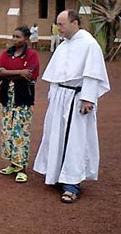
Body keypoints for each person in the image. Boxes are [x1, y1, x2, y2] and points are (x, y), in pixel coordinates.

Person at [33, 10, 110, 204]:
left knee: (74, 140)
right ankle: (58, 174)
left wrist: (88, 98)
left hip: (77, 99)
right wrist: (53, 94)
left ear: (75, 23)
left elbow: (92, 74)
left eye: (61, 24)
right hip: (60, 97)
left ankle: (71, 183)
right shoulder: (64, 45)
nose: (58, 28)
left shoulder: (89, 44)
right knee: (55, 136)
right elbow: (57, 74)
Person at [0, 26, 40, 183]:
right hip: (7, 99)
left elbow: (31, 74)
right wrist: (19, 72)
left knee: (21, 132)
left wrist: (9, 73)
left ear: (26, 39)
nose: (15, 39)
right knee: (8, 130)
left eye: (18, 37)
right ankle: (12, 164)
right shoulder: (7, 53)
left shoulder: (32, 55)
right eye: (13, 36)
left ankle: (22, 168)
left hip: (23, 99)